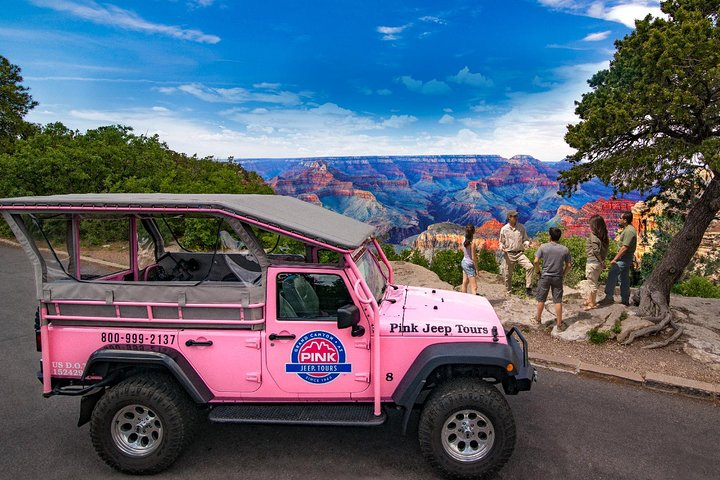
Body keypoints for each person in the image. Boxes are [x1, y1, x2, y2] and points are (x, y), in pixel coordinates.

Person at [534, 227, 572, 329]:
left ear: (550, 236)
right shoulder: (565, 249)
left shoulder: (543, 247)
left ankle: (538, 320)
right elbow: (569, 265)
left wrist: (538, 271)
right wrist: (563, 274)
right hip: (558, 277)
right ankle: (559, 324)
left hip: (545, 276)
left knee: (541, 299)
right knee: (558, 300)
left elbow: (536, 261)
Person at [600, 211, 637, 306]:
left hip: (624, 258)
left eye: (621, 218)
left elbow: (625, 247)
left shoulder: (629, 231)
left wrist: (615, 259)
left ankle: (609, 297)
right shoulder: (628, 229)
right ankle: (625, 299)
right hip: (625, 258)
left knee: (612, 273)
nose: (619, 219)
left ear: (625, 220)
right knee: (623, 278)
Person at [499, 210, 534, 295]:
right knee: (508, 275)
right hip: (509, 254)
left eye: (516, 216)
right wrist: (502, 247)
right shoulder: (504, 229)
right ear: (509, 218)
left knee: (530, 267)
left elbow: (525, 239)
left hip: (519, 253)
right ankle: (508, 292)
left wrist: (527, 244)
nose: (516, 218)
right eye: (514, 216)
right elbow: (501, 242)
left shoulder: (521, 227)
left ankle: (528, 287)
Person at [584, 214, 609, 310]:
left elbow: (595, 250)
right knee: (592, 281)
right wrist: (602, 262)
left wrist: (601, 262)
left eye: (590, 224)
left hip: (592, 263)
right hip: (597, 264)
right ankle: (589, 300)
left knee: (591, 283)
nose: (589, 226)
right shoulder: (604, 236)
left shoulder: (593, 236)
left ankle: (592, 303)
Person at [460, 225, 479, 295]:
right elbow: (474, 258)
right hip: (469, 265)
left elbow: (462, 249)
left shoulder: (464, 239)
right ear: (473, 232)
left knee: (465, 282)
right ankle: (474, 303)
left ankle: (464, 298)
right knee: (474, 287)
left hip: (464, 262)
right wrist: (477, 270)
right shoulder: (472, 244)